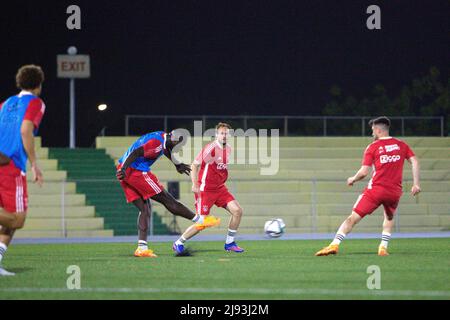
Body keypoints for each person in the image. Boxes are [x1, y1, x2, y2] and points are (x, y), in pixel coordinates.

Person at [315, 116, 421, 257]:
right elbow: (415, 161)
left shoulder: (373, 147)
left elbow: (364, 172)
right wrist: (416, 184)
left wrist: (353, 178)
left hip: (376, 191)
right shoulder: (401, 145)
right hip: (394, 192)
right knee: (389, 218)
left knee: (352, 219)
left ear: (378, 130)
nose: (372, 133)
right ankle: (383, 247)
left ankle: (334, 244)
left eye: (372, 130)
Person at [116, 130, 220, 257]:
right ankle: (200, 219)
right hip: (135, 171)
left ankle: (141, 248)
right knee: (166, 199)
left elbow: (165, 149)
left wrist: (177, 164)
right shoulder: (156, 144)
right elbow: (136, 152)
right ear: (174, 141)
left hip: (125, 170)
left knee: (144, 209)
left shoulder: (162, 136)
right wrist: (124, 169)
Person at [0, 65, 46, 276]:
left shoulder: (5, 103)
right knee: (17, 219)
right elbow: (26, 129)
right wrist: (35, 164)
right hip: (11, 165)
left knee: (8, 221)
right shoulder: (36, 103)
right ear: (38, 85)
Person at [173, 122, 245, 254]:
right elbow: (194, 165)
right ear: (217, 134)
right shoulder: (210, 148)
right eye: (221, 133)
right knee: (203, 222)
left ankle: (229, 243)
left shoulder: (228, 148)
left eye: (226, 133)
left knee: (237, 211)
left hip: (220, 189)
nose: (224, 136)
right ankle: (179, 242)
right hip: (205, 190)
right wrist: (195, 184)